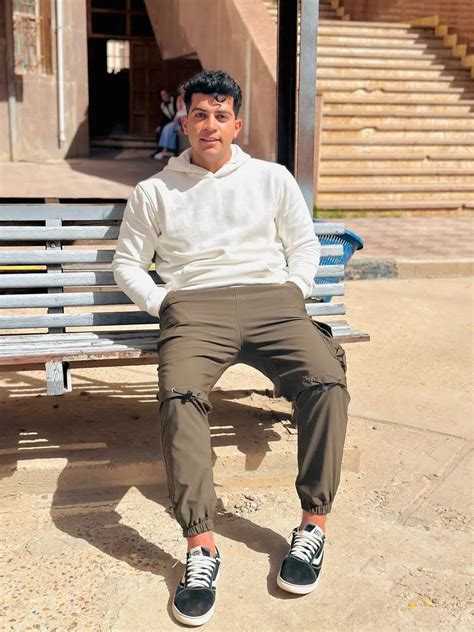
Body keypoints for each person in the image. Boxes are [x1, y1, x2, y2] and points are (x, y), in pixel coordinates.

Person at [112, 70, 349, 627]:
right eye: (200, 114)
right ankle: (201, 547)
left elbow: (304, 244)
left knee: (326, 381)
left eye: (221, 116)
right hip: (194, 307)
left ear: (236, 124)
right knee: (180, 397)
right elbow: (127, 263)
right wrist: (165, 303)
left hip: (273, 300)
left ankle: (313, 526)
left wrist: (295, 289)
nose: (210, 125)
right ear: (185, 121)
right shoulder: (156, 191)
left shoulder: (271, 178)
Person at [154, 85, 187, 160]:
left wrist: (177, 117)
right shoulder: (163, 105)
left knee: (168, 127)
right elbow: (163, 117)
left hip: (182, 118)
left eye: (166, 94)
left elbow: (181, 110)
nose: (165, 96)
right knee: (163, 128)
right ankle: (162, 149)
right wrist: (159, 125)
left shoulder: (175, 99)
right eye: (163, 95)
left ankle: (166, 150)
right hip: (176, 119)